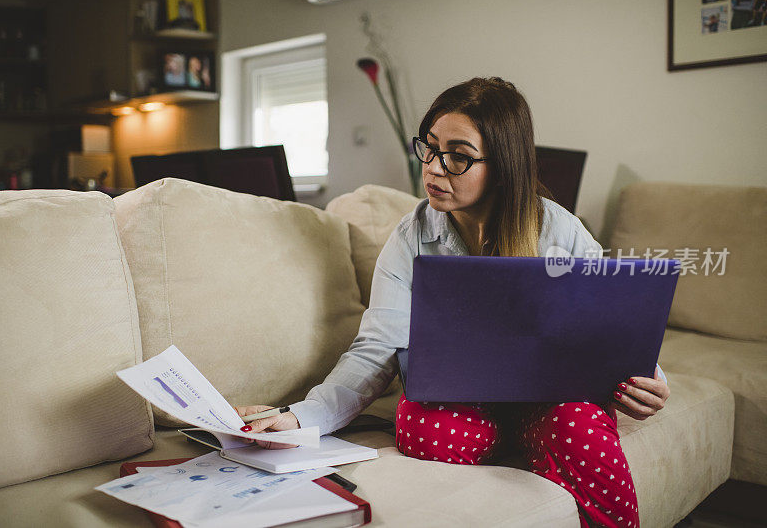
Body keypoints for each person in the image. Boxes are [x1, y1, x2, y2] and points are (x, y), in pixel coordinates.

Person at [235, 77, 670, 528]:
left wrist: (650, 378)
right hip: (467, 405)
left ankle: (540, 438)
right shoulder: (412, 236)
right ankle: (523, 442)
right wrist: (303, 417)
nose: (434, 168)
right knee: (417, 423)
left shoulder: (558, 230)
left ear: (502, 166)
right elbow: (377, 347)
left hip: (551, 401)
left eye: (458, 156)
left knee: (577, 425)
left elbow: (618, 324)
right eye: (430, 147)